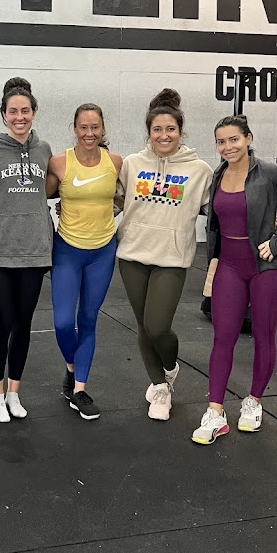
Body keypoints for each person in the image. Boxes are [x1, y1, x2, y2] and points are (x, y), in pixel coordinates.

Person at [192, 114, 277, 445]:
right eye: (221, 141)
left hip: (268, 268)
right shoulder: (218, 174)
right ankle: (215, 412)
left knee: (264, 336)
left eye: (234, 139)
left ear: (248, 138)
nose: (228, 147)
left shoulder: (270, 172)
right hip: (230, 266)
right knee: (223, 337)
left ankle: (253, 402)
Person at [115, 89, 213, 420]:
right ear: (149, 132)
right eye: (157, 129)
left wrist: (264, 216)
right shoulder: (132, 164)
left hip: (171, 258)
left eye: (170, 129)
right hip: (132, 254)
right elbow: (112, 201)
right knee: (143, 327)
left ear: (181, 131)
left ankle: (169, 367)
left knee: (157, 327)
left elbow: (222, 209)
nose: (164, 135)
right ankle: (159, 386)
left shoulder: (199, 170)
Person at [0, 77, 53, 423]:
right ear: (3, 114)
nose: (19, 117)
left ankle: (14, 392)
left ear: (34, 112)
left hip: (34, 252)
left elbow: (49, 189)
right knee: (1, 323)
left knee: (23, 324)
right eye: (13, 111)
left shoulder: (44, 150)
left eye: (25, 110)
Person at [46, 104, 122, 420]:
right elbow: (38, 196)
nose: (89, 133)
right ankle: (71, 366)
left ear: (102, 129)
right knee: (64, 322)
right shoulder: (59, 163)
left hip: (102, 251)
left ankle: (79, 389)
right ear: (74, 128)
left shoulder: (115, 162)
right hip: (67, 251)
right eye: (83, 127)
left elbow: (123, 198)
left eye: (95, 127)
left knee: (88, 319)